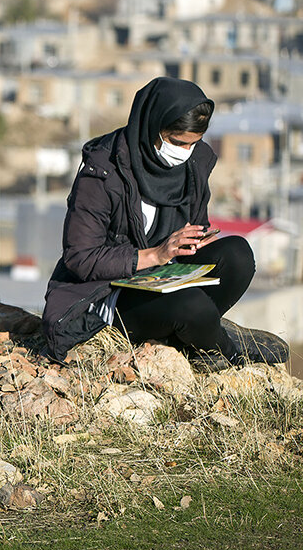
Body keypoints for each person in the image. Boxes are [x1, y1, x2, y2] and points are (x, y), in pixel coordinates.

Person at [43, 77, 288, 369]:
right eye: (176, 142)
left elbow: (195, 222)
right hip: (109, 292)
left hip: (163, 278)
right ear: (152, 126)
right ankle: (228, 352)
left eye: (192, 144)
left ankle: (195, 333)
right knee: (193, 306)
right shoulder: (103, 171)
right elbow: (80, 257)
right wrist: (154, 255)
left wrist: (192, 242)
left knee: (238, 254)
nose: (183, 152)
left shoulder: (194, 163)